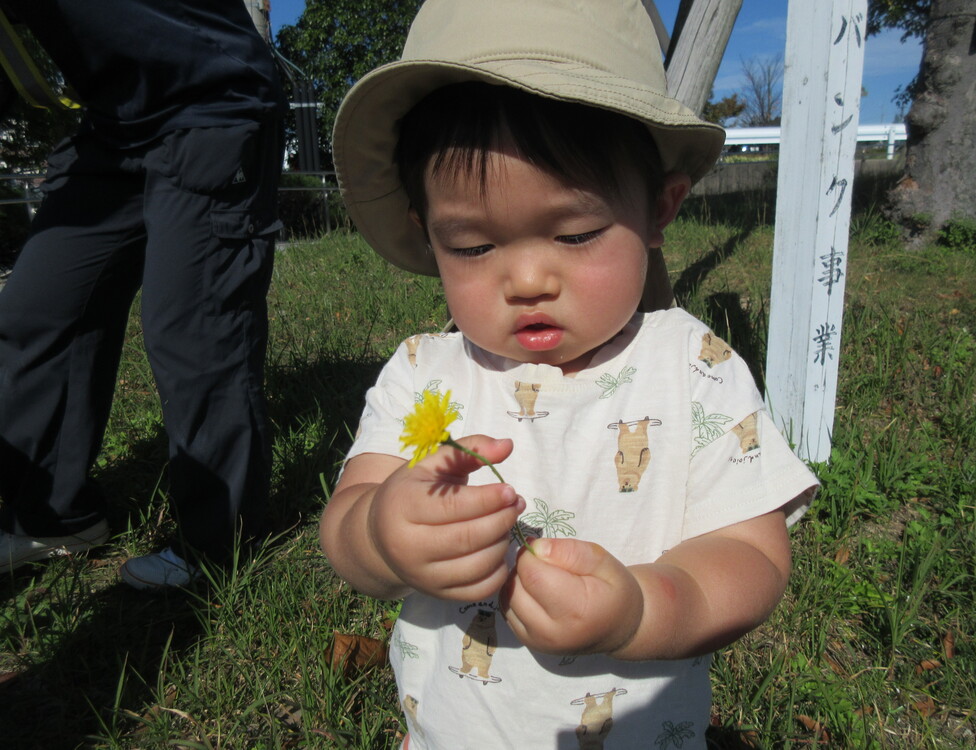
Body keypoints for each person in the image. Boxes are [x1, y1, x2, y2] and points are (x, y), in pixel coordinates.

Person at [321, 0, 818, 747]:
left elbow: (751, 555)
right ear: (429, 236)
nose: (526, 279)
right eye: (473, 247)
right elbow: (349, 518)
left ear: (658, 210)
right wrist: (384, 536)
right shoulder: (424, 372)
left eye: (576, 233)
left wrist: (646, 609)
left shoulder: (694, 368)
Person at [0, 0, 285, 589]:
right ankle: (56, 516)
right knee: (37, 308)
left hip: (211, 98)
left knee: (192, 329)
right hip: (112, 124)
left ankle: (218, 550)